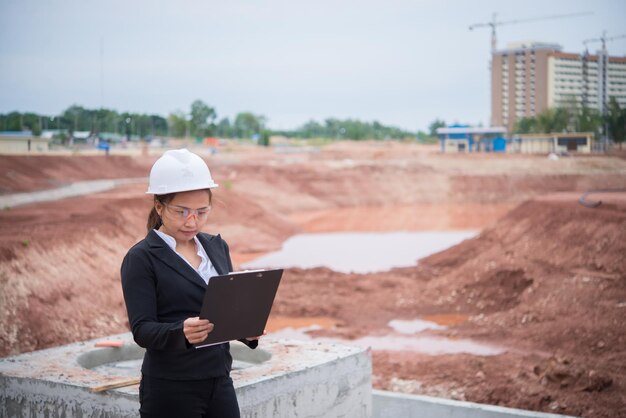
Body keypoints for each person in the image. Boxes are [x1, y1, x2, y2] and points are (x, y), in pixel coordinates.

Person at [121, 148, 260, 418]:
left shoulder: (217, 247)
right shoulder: (141, 258)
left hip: (219, 379)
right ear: (159, 206)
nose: (192, 221)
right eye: (182, 211)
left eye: (201, 211)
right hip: (171, 388)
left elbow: (223, 311)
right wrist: (180, 332)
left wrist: (246, 331)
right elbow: (142, 330)